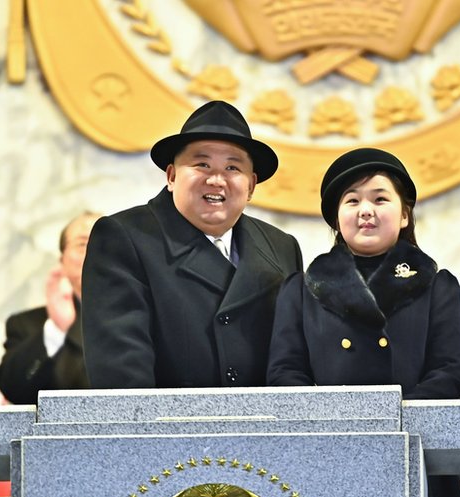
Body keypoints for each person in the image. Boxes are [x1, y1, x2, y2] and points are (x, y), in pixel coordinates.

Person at [266, 147, 460, 497]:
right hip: (327, 455)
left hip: (416, 455)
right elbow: (284, 373)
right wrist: (338, 423)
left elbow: (450, 373)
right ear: (335, 217)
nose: (366, 210)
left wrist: (387, 419)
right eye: (352, 201)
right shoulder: (301, 290)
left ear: (405, 213)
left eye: (380, 198)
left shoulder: (437, 285)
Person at [82, 100, 302, 388]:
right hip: (169, 429)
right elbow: (121, 373)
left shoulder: (281, 247)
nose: (216, 180)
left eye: (233, 167)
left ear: (251, 185)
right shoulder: (125, 238)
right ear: (172, 176)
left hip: (263, 428)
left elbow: (293, 359)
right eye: (202, 164)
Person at [0, 211, 100, 404]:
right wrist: (56, 331)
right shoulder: (26, 325)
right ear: (62, 261)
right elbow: (12, 390)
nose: (95, 251)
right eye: (83, 244)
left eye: (104, 243)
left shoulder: (145, 319)